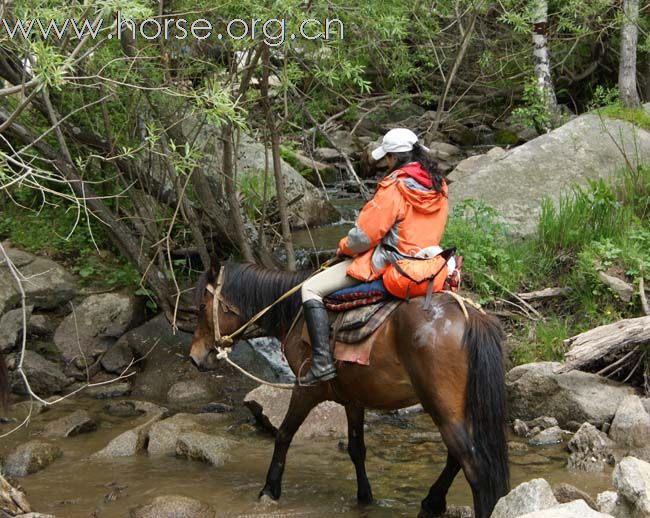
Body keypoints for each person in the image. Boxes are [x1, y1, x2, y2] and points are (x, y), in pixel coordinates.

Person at [298, 128, 449, 385]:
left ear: (393, 158)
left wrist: (344, 246)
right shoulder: (439, 185)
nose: (385, 164)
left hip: (393, 265)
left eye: (387, 158)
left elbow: (364, 238)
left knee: (310, 289)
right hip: (430, 264)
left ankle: (322, 362)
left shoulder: (395, 187)